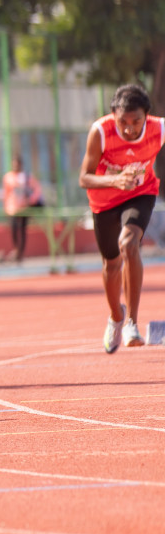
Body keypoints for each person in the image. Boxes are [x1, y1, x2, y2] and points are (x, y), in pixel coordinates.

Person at [79, 84, 164, 352]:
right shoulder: (100, 132)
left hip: (141, 193)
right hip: (104, 199)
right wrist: (115, 180)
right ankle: (116, 316)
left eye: (136, 121)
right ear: (113, 116)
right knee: (111, 264)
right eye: (122, 122)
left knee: (129, 244)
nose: (129, 129)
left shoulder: (159, 129)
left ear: (147, 116)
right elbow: (84, 177)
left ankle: (131, 323)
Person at [2, 155, 44, 263]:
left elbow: (37, 189)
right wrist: (5, 206)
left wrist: (31, 200)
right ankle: (16, 250)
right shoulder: (8, 177)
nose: (16, 166)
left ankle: (20, 253)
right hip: (12, 209)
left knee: (22, 230)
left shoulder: (26, 177)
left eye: (17, 164)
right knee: (14, 231)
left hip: (24, 208)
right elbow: (6, 193)